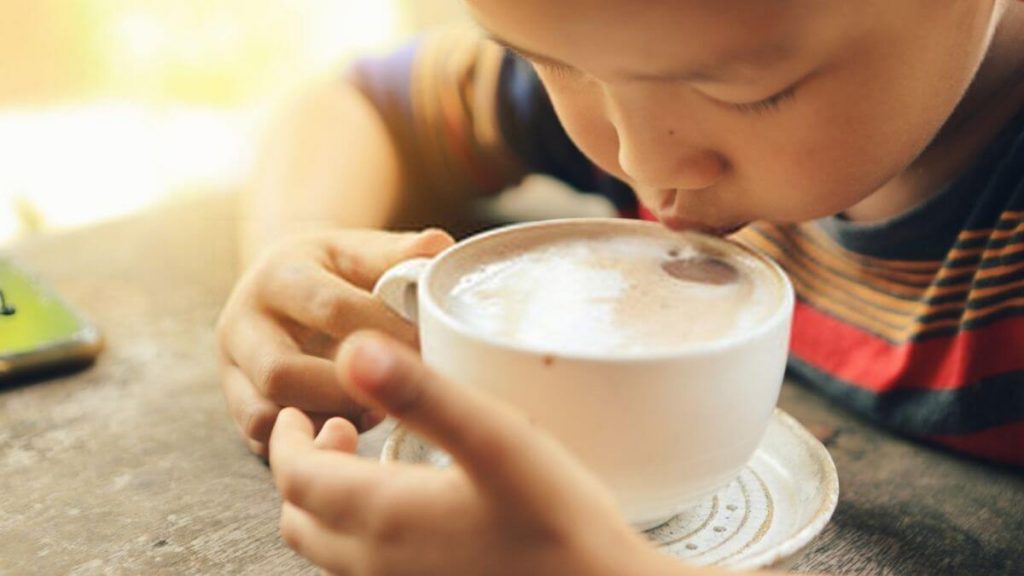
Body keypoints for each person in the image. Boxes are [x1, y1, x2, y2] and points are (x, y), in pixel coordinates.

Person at [215, 0, 1024, 573]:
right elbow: (363, 101)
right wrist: (295, 254)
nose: (643, 162)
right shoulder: (632, 41)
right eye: (550, 61)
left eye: (745, 90)